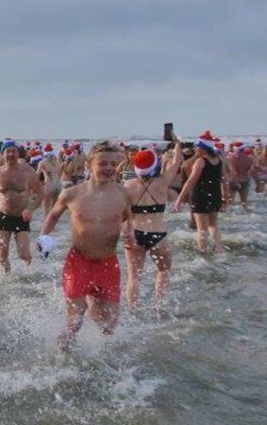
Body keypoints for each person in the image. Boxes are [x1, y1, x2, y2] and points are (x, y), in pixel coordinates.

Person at [39, 140, 134, 351]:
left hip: (109, 264)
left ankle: (101, 359)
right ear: (89, 165)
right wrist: (44, 236)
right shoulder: (72, 194)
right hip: (79, 262)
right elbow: (53, 215)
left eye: (112, 164)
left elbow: (127, 218)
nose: (109, 168)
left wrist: (130, 232)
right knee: (75, 323)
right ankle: (59, 356)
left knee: (109, 325)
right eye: (103, 164)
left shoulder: (123, 194)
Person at [123, 141, 182, 311]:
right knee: (164, 271)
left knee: (134, 277)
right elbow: (176, 161)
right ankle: (158, 305)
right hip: (158, 234)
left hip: (136, 233)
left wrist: (126, 234)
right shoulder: (162, 182)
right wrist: (177, 144)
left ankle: (133, 310)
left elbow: (123, 216)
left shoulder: (128, 186)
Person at [0, 141, 43, 273]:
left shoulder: (28, 171)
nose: (11, 154)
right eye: (8, 151)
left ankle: (32, 277)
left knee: (23, 254)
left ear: (18, 153)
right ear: (3, 154)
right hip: (3, 215)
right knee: (2, 253)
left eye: (14, 151)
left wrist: (30, 209)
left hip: (21, 217)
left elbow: (41, 193)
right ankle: (6, 279)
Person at [174, 132, 229, 253]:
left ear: (204, 149)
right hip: (215, 196)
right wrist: (226, 197)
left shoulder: (200, 161)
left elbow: (190, 182)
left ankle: (202, 252)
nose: (195, 149)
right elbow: (224, 180)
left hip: (200, 196)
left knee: (201, 229)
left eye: (197, 147)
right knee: (213, 225)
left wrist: (179, 199)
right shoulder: (219, 160)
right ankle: (218, 249)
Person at [226, 143, 255, 209]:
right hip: (245, 180)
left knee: (230, 201)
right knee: (244, 202)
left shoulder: (229, 158)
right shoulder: (249, 158)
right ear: (244, 149)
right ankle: (246, 215)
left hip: (233, 180)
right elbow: (252, 170)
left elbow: (227, 170)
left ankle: (231, 217)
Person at [37, 144, 62, 215]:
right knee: (54, 206)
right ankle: (55, 222)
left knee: (46, 207)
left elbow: (37, 175)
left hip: (49, 185)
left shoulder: (42, 162)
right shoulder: (57, 160)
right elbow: (59, 173)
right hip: (58, 184)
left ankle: (46, 222)